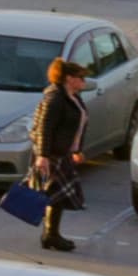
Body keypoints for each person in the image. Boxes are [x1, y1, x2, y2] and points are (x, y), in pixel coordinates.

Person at [27, 56, 88, 254]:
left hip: (64, 153)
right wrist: (43, 156)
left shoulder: (72, 97)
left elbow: (76, 127)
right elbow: (44, 128)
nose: (84, 82)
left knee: (57, 196)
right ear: (69, 78)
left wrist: (77, 150)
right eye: (80, 77)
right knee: (54, 195)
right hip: (52, 154)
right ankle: (50, 235)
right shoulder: (55, 98)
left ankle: (51, 234)